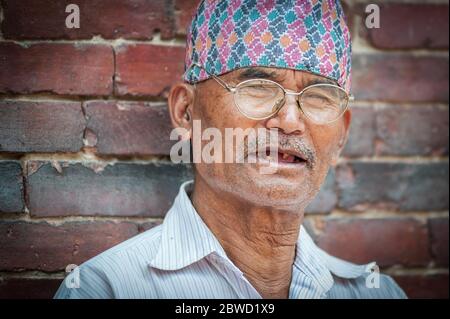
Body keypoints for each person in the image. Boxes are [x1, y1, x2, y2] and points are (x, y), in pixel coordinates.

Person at [55, 0, 406, 299]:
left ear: (341, 134)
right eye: (257, 87)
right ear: (185, 111)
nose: (288, 121)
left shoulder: (375, 292)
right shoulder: (108, 288)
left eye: (319, 97)